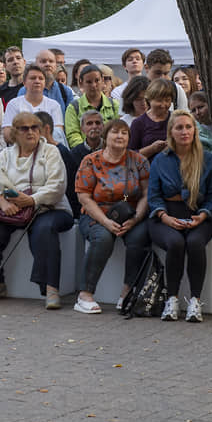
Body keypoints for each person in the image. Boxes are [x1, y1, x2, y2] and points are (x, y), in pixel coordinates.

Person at [0, 112, 74, 308]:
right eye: (24, 128)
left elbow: (57, 186)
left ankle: (51, 288)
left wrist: (31, 200)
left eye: (34, 127)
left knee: (44, 229)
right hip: (13, 209)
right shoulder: (5, 155)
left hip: (49, 207)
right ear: (15, 133)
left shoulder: (51, 152)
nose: (30, 132)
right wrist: (1, 202)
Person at [148, 110, 212, 322]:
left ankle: (195, 301)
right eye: (179, 127)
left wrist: (203, 215)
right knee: (176, 242)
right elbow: (153, 196)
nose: (184, 131)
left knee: (195, 243)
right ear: (171, 131)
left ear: (195, 130)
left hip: (198, 215)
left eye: (188, 127)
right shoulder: (161, 160)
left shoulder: (207, 159)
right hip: (166, 216)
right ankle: (172, 299)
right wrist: (164, 217)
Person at [75, 118, 150, 314]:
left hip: (131, 214)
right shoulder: (90, 161)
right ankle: (85, 294)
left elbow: (146, 194)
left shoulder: (139, 161)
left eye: (124, 133)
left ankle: (127, 291)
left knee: (140, 236)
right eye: (115, 132)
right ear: (105, 136)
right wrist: (106, 222)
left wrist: (136, 219)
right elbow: (84, 197)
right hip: (97, 214)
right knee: (102, 238)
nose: (120, 136)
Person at [3, 65, 65, 145]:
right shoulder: (13, 104)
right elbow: (7, 134)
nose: (37, 81)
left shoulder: (54, 105)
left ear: (44, 82)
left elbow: (58, 133)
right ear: (24, 83)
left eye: (41, 78)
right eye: (33, 78)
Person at [64, 64, 119, 148]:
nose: (93, 85)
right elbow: (73, 135)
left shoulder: (114, 105)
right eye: (89, 82)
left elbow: (118, 131)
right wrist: (87, 149)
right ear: (81, 83)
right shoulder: (73, 108)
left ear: (102, 80)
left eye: (97, 80)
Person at [65, 110, 104, 218]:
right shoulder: (73, 154)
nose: (94, 126)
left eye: (98, 123)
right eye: (89, 123)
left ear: (103, 126)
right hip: (84, 210)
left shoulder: (112, 149)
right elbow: (71, 188)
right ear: (82, 128)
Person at [128, 78, 175, 161]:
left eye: (167, 100)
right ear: (149, 99)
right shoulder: (138, 123)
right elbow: (130, 156)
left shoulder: (175, 119)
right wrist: (152, 149)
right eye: (159, 101)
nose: (163, 105)